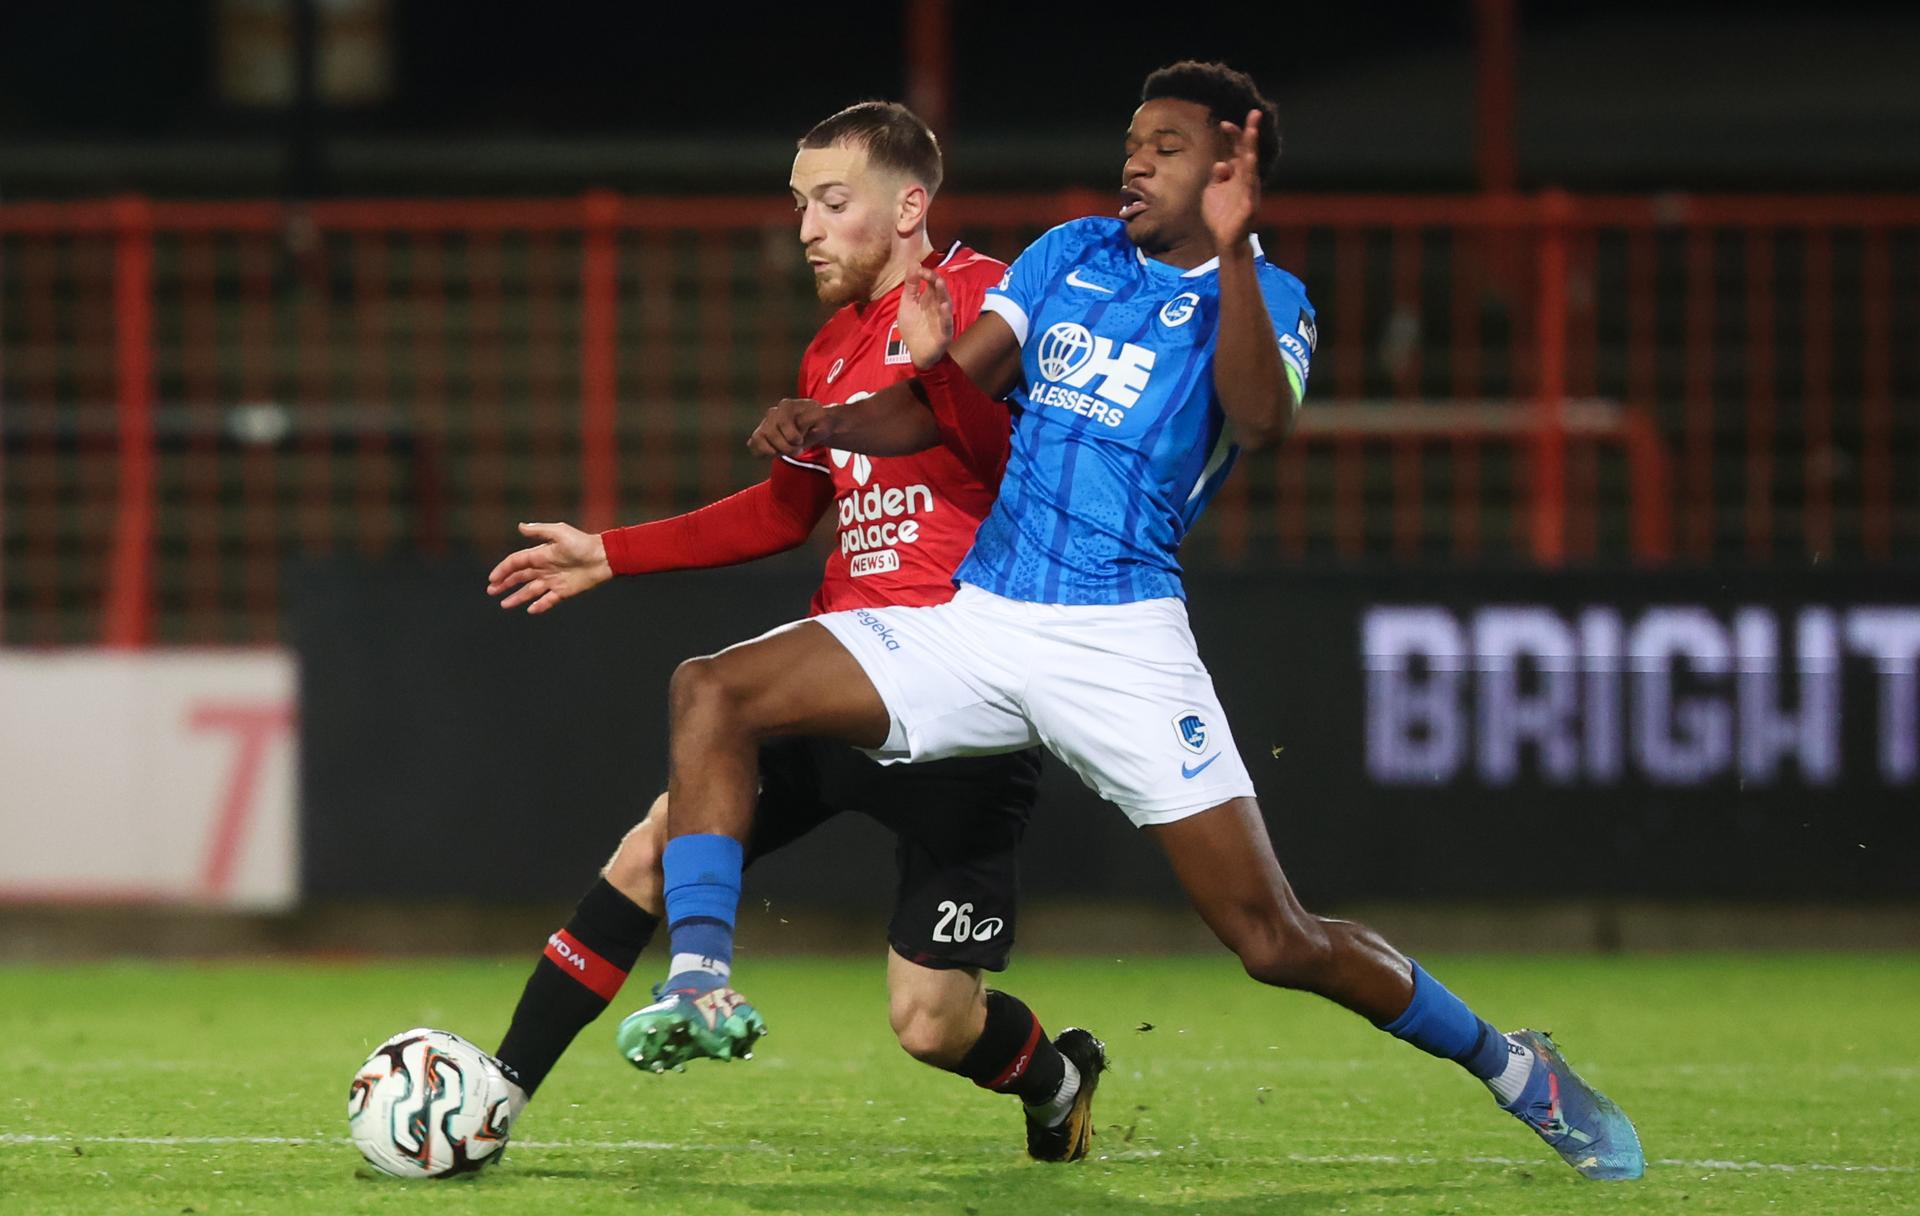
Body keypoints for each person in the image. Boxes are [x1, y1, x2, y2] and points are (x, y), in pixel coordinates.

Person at [637, 63, 1645, 1182]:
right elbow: (940, 399)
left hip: (1118, 640)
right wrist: (829, 421)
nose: (1135, 163)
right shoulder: (1069, 254)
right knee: (713, 687)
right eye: (1132, 142)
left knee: (1275, 939)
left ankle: (1514, 1066)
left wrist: (1239, 253)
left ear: (1227, 169)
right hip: (982, 617)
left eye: (1166, 148)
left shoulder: (1270, 297)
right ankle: (700, 978)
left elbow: (1260, 420)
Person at [482, 101, 1105, 1163]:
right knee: (653, 844)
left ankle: (1056, 1079)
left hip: (966, 694)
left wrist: (929, 375)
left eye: (831, 202)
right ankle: (494, 1094)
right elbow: (782, 513)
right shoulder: (831, 348)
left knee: (932, 1023)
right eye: (800, 205)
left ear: (908, 206)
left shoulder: (992, 301)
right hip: (847, 673)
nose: (806, 228)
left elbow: (1023, 466)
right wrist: (610, 552)